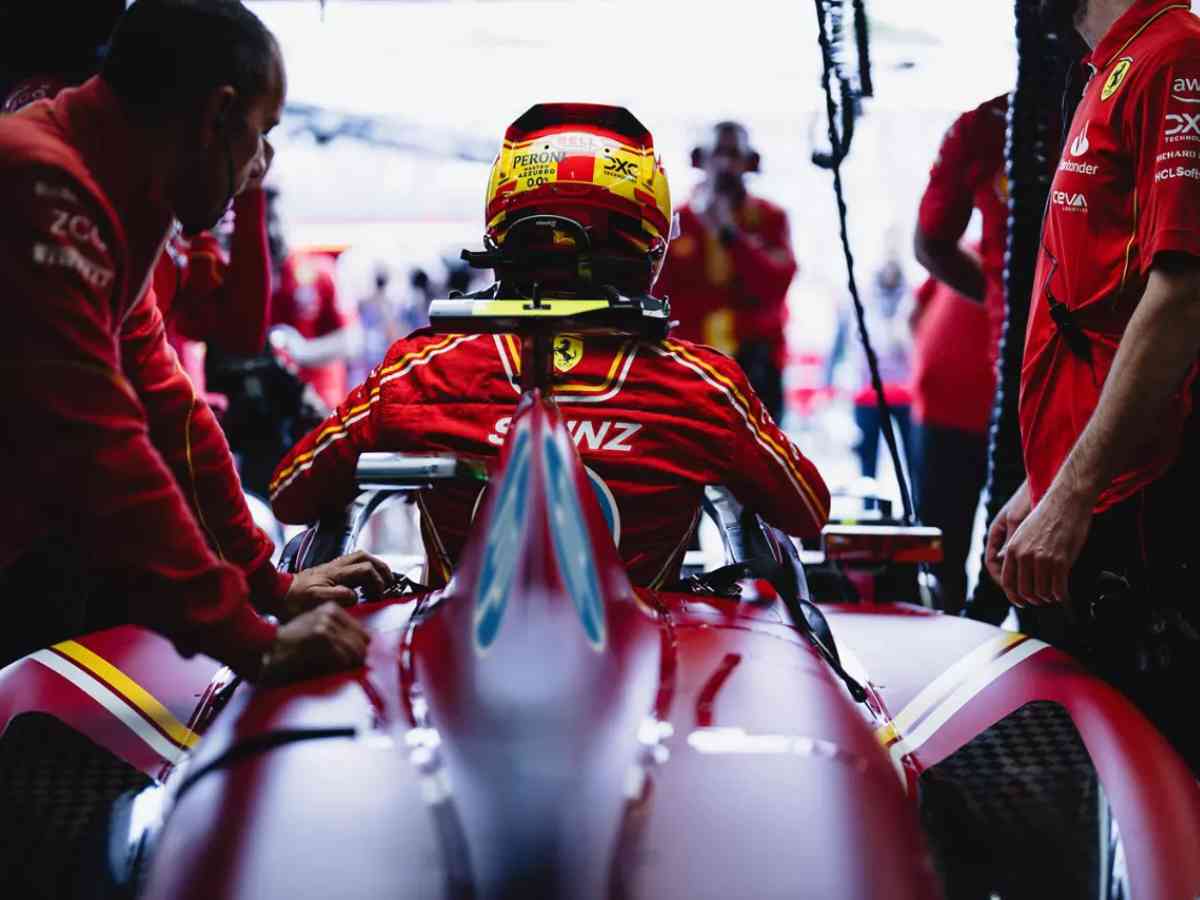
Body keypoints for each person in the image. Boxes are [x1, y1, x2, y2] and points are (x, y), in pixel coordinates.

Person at [269, 103, 830, 588]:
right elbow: (807, 510)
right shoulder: (704, 387)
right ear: (652, 251)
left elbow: (291, 494)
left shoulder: (419, 371)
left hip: (452, 687)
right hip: (648, 689)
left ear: (499, 237)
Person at [0, 0, 383, 681]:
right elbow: (101, 446)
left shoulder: (102, 196)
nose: (257, 167)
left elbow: (175, 413)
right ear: (218, 117)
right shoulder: (42, 183)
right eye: (261, 134)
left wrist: (269, 587)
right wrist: (250, 640)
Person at [986, 0, 1200, 771]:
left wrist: (1070, 496)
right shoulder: (1112, 66)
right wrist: (1037, 486)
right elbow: (1095, 308)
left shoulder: (1174, 57)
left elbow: (1181, 296)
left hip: (1135, 506)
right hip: (1087, 499)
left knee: (1142, 788)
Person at [653, 121, 797, 424]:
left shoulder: (771, 218)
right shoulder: (675, 221)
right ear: (698, 159)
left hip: (757, 367)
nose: (725, 164)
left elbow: (776, 284)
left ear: (751, 162)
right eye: (717, 153)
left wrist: (730, 234)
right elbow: (655, 291)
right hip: (691, 364)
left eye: (734, 155)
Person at [908, 272, 994, 613]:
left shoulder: (1027, 258)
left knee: (977, 546)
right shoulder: (966, 251)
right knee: (936, 547)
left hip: (984, 423)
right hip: (935, 418)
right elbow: (914, 312)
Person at [266, 190, 361, 408]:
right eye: (264, 222)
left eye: (276, 220)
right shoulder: (246, 278)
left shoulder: (321, 272)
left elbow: (351, 339)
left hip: (320, 405)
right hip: (270, 408)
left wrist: (303, 351)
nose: (272, 231)